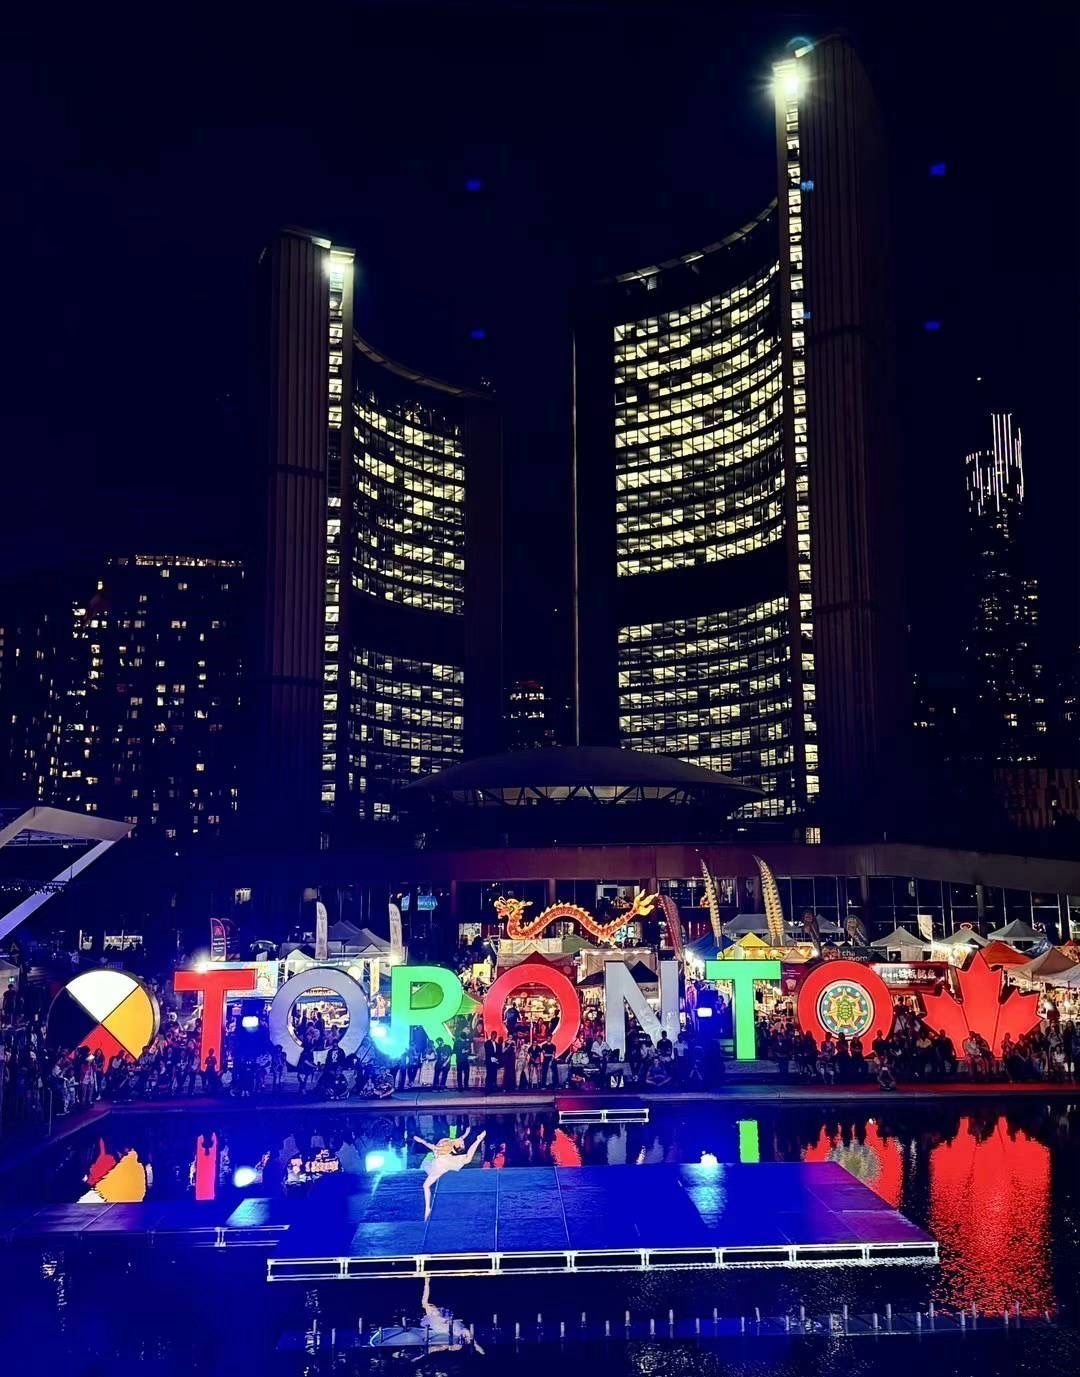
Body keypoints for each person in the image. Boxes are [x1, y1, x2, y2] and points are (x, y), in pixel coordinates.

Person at [419, 1130, 487, 1220]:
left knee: (426, 1184)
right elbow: (461, 1139)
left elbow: (431, 1145)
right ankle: (427, 1209)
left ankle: (428, 1209)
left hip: (440, 1163)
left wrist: (422, 1141)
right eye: (462, 1143)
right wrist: (470, 1135)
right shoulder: (453, 1144)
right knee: (426, 1185)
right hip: (440, 1165)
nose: (462, 1142)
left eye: (462, 1144)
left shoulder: (449, 1146)